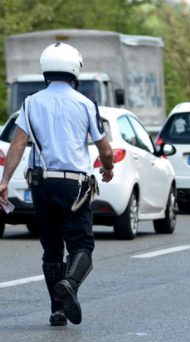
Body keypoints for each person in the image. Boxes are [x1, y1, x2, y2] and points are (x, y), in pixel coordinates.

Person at [0, 42, 114, 326]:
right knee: (81, 245)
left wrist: (3, 181)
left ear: (45, 70)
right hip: (74, 185)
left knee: (51, 249)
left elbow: (18, 144)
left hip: (40, 184)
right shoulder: (85, 104)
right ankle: (70, 286)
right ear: (75, 70)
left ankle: (58, 310)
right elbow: (106, 149)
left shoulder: (31, 102)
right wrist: (108, 168)